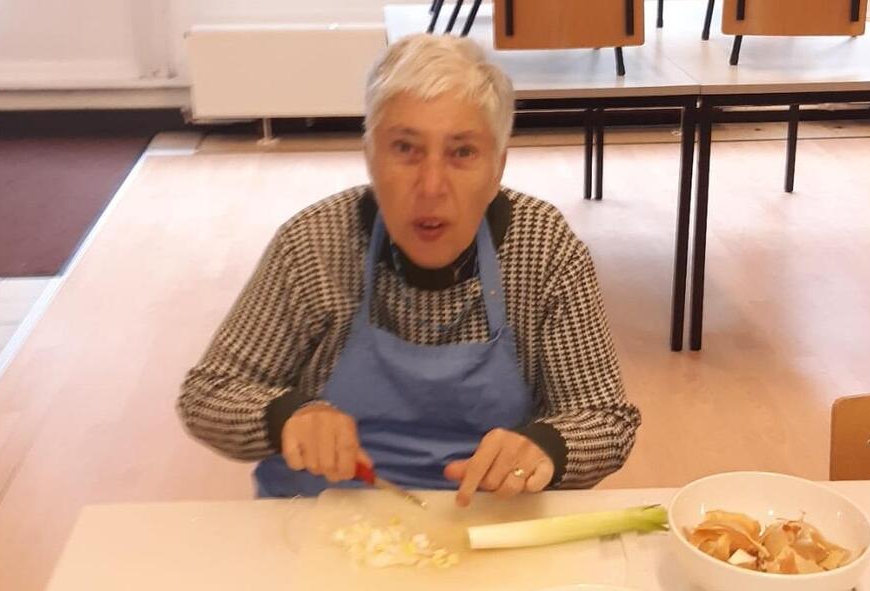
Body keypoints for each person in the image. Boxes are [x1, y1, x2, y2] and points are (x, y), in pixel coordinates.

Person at [178, 33, 640, 505]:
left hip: (481, 520)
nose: (431, 185)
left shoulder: (543, 248)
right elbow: (209, 393)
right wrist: (287, 417)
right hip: (316, 522)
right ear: (370, 157)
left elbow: (606, 419)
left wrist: (546, 447)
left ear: (497, 168)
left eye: (462, 152)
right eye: (405, 148)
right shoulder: (314, 244)